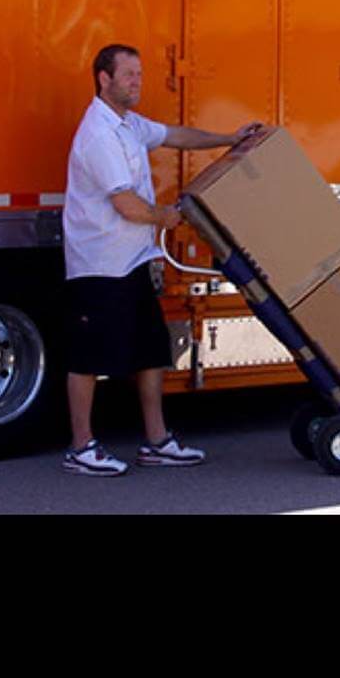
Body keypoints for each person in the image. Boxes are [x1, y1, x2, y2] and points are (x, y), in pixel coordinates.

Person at [61, 43, 262, 477]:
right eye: (129, 74)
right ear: (104, 79)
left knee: (151, 350)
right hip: (99, 263)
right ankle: (81, 447)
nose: (137, 81)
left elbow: (175, 135)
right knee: (88, 358)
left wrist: (230, 139)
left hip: (132, 259)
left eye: (139, 73)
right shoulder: (98, 133)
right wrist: (165, 217)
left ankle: (156, 442)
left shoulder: (129, 125)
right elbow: (126, 205)